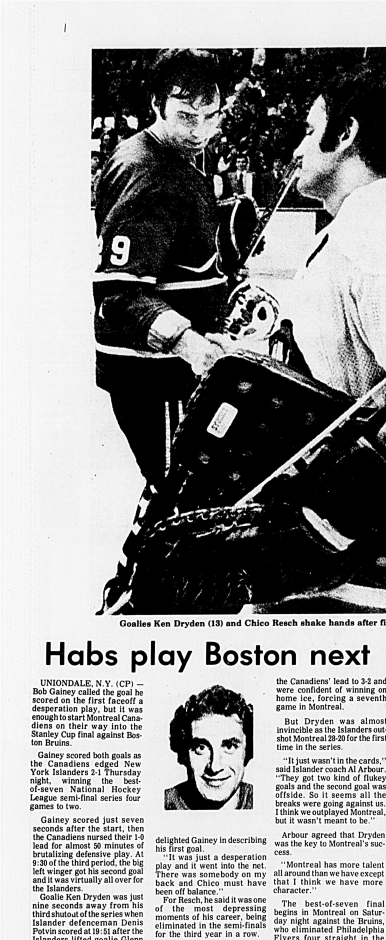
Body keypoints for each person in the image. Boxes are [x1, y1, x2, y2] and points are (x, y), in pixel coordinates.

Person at [278, 65, 386, 610]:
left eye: (310, 129)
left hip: (359, 573)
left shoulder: (372, 229)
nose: (301, 144)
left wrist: (328, 513)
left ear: (346, 134)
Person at [94, 50, 229, 610]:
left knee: (169, 488)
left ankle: (131, 587)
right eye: (185, 115)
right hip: (156, 374)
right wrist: (190, 343)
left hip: (155, 372)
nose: (198, 130)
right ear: (156, 105)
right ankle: (140, 599)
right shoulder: (152, 172)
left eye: (210, 114)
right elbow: (119, 291)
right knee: (182, 492)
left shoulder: (158, 157)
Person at [165, 685, 253, 810]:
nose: (214, 767)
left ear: (247, 751)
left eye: (229, 746)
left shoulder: (263, 801)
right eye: (201, 748)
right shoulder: (163, 803)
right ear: (184, 755)